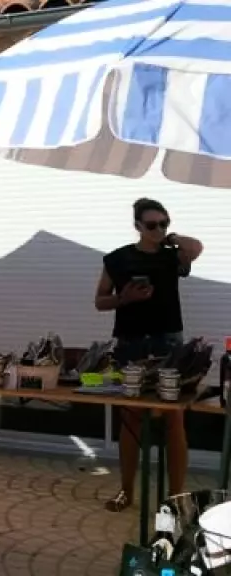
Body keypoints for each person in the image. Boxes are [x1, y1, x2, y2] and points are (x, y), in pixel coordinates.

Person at [94, 198, 203, 512]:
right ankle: (126, 491)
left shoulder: (172, 256)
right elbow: (99, 301)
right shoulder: (118, 258)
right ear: (137, 226)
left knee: (174, 419)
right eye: (152, 225)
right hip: (131, 343)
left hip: (168, 343)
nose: (159, 230)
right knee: (131, 419)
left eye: (164, 223)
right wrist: (124, 298)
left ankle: (176, 498)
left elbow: (196, 247)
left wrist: (171, 238)